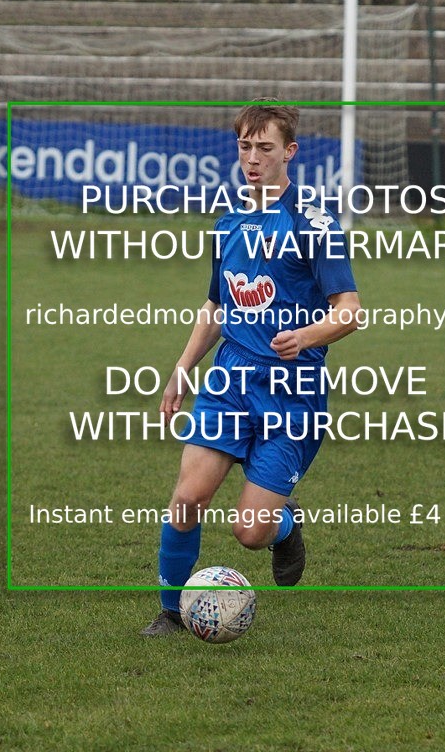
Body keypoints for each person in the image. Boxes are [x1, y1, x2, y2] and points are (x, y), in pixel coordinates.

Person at [142, 98, 361, 636]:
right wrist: (182, 368)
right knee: (188, 497)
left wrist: (306, 336)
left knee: (249, 532)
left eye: (265, 147)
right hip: (232, 375)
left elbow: (350, 312)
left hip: (293, 390)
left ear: (290, 151)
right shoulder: (229, 224)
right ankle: (172, 610)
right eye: (245, 146)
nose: (253, 158)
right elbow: (217, 309)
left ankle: (284, 527)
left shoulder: (313, 223)